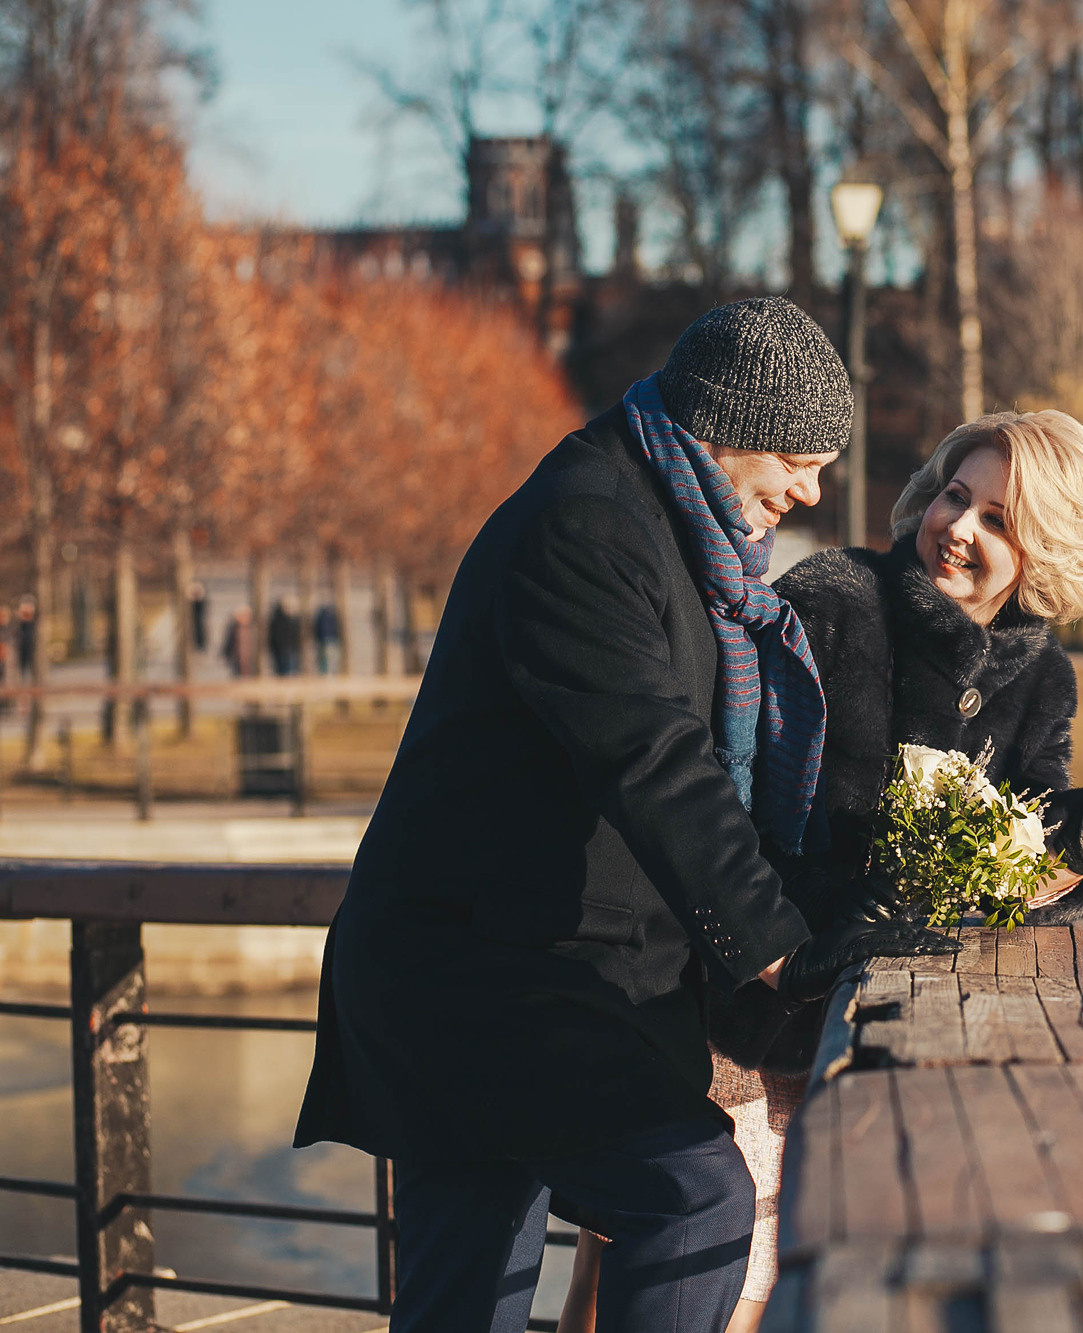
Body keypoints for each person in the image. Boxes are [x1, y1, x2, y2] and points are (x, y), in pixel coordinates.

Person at [293, 297, 957, 1333]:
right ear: (725, 419)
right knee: (692, 1202)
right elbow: (652, 759)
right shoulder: (588, 522)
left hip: (530, 974)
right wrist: (785, 951)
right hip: (478, 984)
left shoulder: (677, 534)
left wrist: (831, 901)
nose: (810, 488)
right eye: (797, 456)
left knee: (462, 1294)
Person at [556, 410, 1083, 1333]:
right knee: (683, 1275)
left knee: (708, 1281)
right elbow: (723, 792)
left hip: (847, 1033)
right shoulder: (833, 602)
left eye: (998, 518)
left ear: (1045, 548)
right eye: (956, 494)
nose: (959, 526)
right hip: (732, 996)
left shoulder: (1040, 675)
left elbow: (1015, 851)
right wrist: (827, 899)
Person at [220, 605, 255, 678]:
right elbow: (228, 642)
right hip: (236, 657)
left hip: (250, 657)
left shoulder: (253, 628)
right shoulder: (233, 628)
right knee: (237, 675)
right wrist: (225, 654)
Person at [312, 601, 340, 673]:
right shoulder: (322, 616)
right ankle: (325, 673)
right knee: (325, 659)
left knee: (331, 658)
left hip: (331, 640)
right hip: (325, 640)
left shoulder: (333, 616)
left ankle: (330, 673)